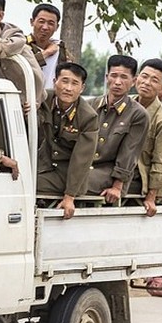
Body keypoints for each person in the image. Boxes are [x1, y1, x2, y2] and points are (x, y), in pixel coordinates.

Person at [36, 62, 99, 219]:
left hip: (68, 176)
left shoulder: (88, 117)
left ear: (82, 88)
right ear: (54, 81)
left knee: (24, 184)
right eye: (64, 81)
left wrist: (69, 196)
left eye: (74, 83)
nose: (68, 88)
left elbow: (81, 160)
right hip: (43, 165)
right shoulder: (42, 99)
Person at [86, 55, 149, 203]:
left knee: (73, 182)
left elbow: (129, 152)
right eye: (113, 76)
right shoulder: (90, 106)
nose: (118, 82)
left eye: (124, 77)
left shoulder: (138, 114)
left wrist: (117, 186)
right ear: (107, 77)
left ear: (134, 81)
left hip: (109, 173)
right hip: (83, 167)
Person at [130, 59, 162, 217]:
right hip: (123, 170)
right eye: (144, 76)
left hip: (141, 178)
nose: (146, 82)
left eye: (154, 80)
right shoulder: (127, 104)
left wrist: (151, 196)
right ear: (137, 77)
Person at [26, 3, 73, 90]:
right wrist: (46, 53)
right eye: (41, 21)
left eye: (51, 23)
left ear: (57, 27)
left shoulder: (60, 49)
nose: (45, 27)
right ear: (32, 22)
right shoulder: (22, 44)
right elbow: (22, 68)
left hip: (51, 100)